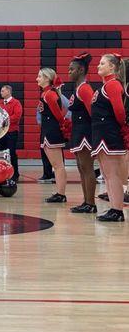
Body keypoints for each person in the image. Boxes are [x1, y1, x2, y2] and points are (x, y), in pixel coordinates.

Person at [91, 54, 127, 222]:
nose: (98, 66)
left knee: (112, 174)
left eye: (102, 63)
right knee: (106, 174)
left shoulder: (113, 84)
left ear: (112, 67)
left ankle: (117, 210)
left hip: (109, 133)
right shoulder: (107, 85)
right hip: (102, 133)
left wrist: (120, 128)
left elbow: (120, 112)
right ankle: (114, 208)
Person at [66, 53, 97, 213]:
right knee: (81, 167)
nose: (69, 72)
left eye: (72, 69)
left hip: (85, 132)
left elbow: (94, 112)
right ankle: (86, 201)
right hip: (78, 131)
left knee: (87, 167)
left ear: (81, 70)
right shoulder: (78, 88)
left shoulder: (84, 88)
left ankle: (91, 204)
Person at [36, 68, 68, 202]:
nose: (37, 79)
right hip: (47, 131)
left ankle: (61, 194)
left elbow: (59, 116)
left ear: (47, 79)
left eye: (39, 76)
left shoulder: (49, 94)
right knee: (56, 165)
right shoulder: (45, 93)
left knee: (58, 166)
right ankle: (59, 192)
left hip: (52, 132)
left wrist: (63, 126)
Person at [0, 85, 22, 181]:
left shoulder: (16, 103)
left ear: (8, 91)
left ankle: (15, 174)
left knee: (11, 153)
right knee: (1, 152)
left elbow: (17, 116)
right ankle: (2, 173)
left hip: (12, 132)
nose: (1, 92)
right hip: (1, 132)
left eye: (3, 91)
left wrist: (4, 120)